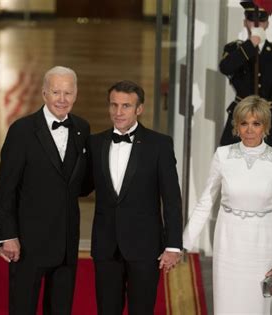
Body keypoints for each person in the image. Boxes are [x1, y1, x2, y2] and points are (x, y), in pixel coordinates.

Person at [183, 95, 272, 314]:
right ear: (237, 126)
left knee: (257, 305)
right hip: (228, 242)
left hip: (262, 245)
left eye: (256, 123)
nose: (249, 130)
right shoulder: (223, 155)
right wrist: (183, 243)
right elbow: (205, 201)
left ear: (266, 127)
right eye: (244, 123)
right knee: (227, 305)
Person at [0, 66, 90, 314]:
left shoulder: (82, 129)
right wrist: (7, 235)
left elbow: (82, 184)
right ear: (44, 93)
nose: (62, 99)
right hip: (28, 244)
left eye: (68, 93)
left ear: (76, 94)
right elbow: (5, 189)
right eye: (56, 92)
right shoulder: (22, 130)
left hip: (67, 244)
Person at [84, 80, 183, 315]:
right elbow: (81, 187)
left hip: (145, 247)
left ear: (139, 109)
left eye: (126, 106)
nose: (118, 112)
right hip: (106, 247)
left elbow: (171, 198)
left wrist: (173, 245)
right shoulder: (95, 143)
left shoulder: (159, 144)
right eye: (114, 105)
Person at [219, 0, 272, 155]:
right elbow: (225, 67)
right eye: (251, 18)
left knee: (268, 175)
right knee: (232, 172)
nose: (257, 24)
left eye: (262, 18)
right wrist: (251, 43)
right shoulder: (234, 49)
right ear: (245, 21)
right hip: (239, 118)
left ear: (267, 23)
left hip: (271, 123)